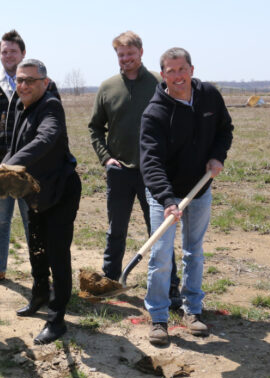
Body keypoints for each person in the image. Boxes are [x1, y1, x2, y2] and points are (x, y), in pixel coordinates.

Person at [140, 47, 233, 345]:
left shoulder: (209, 96)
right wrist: (167, 200)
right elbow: (150, 162)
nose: (177, 76)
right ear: (163, 74)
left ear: (191, 70)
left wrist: (218, 156)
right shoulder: (155, 112)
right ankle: (158, 317)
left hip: (199, 188)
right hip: (163, 193)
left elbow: (224, 129)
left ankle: (192, 310)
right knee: (160, 255)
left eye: (182, 69)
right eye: (171, 71)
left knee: (194, 251)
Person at [88, 31, 181, 307]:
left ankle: (171, 287)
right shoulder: (107, 87)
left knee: (160, 232)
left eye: (130, 53)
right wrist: (105, 158)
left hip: (154, 173)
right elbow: (95, 128)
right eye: (121, 55)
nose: (125, 59)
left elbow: (175, 120)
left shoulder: (158, 82)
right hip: (120, 172)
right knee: (116, 229)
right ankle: (110, 280)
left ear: (141, 52)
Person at [0, 30, 58, 288]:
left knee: (34, 220)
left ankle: (40, 273)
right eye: (4, 51)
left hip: (30, 167)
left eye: (13, 51)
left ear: (23, 53)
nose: (8, 55)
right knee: (0, 219)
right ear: (0, 54)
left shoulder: (38, 84)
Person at [2, 59, 81, 345]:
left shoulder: (50, 106)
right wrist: (6, 163)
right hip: (33, 193)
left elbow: (46, 138)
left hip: (60, 192)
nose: (23, 85)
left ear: (44, 83)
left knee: (58, 254)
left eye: (30, 81)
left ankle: (57, 318)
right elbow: (15, 144)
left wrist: (12, 165)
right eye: (20, 80)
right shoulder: (19, 104)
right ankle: (38, 295)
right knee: (36, 248)